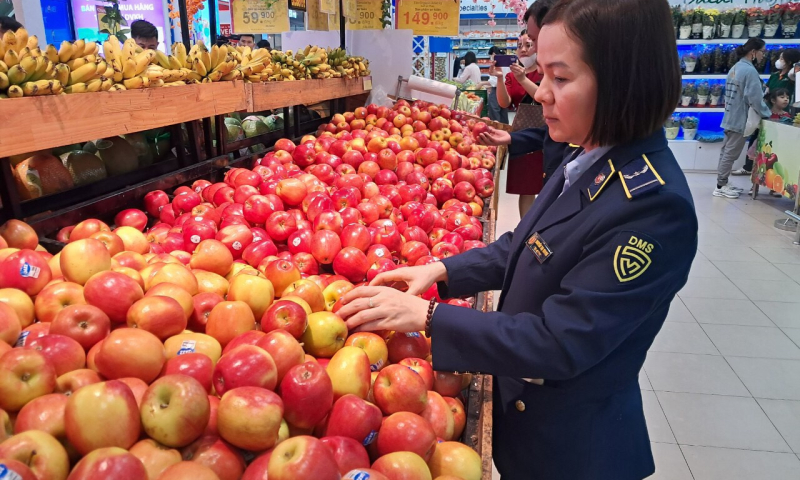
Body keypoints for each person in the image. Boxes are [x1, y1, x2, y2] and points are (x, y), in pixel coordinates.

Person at [338, 0, 696, 479]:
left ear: (623, 81)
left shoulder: (652, 207)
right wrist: (440, 272)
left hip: (572, 451)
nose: (540, 94)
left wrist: (427, 317)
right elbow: (527, 244)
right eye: (542, 74)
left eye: (560, 78)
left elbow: (559, 341)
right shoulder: (587, 155)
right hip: (528, 426)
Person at [489, 31, 542, 217]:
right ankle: (526, 231)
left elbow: (544, 97)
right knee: (526, 188)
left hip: (550, 134)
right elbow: (504, 103)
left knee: (549, 185)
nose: (523, 50)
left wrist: (523, 79)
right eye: (519, 46)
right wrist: (499, 78)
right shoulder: (513, 75)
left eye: (529, 45)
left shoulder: (546, 70)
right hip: (524, 135)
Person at [714, 38, 771, 198]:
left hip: (731, 115)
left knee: (726, 151)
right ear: (753, 52)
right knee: (731, 153)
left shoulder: (736, 67)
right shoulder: (750, 71)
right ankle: (720, 186)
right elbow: (754, 97)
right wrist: (766, 113)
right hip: (741, 118)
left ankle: (722, 182)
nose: (763, 55)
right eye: (762, 52)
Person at [734, 48, 800, 175]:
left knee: (776, 143)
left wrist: (796, 66)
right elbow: (766, 91)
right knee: (756, 138)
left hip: (783, 115)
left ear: (789, 61)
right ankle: (749, 167)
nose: (779, 61)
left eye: (782, 59)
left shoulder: (792, 77)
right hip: (766, 112)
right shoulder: (775, 75)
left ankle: (772, 171)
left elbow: (793, 74)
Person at [486, 46, 509, 124]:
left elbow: (494, 81)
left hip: (496, 90)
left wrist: (484, 83)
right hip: (506, 89)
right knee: (504, 111)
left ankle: (496, 130)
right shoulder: (506, 61)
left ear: (493, 54)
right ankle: (506, 130)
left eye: (490, 55)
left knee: (494, 112)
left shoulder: (495, 63)